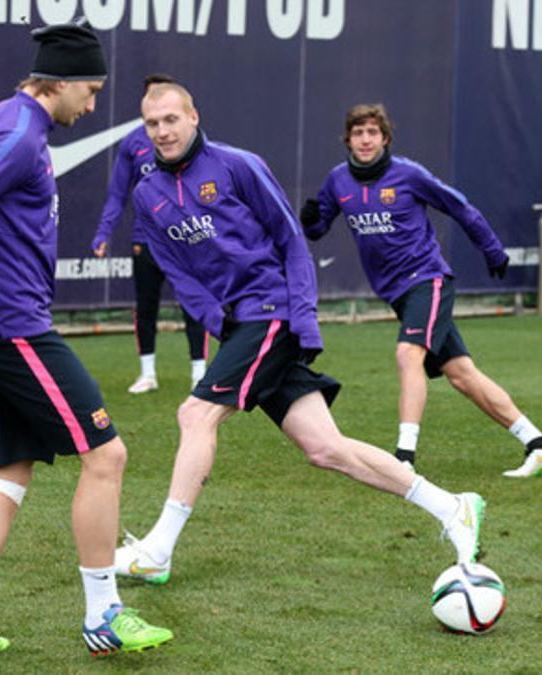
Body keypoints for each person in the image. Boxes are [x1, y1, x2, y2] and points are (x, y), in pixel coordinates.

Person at [110, 82, 485, 587]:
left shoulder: (238, 165)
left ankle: (159, 549)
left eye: (171, 120)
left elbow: (290, 240)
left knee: (195, 413)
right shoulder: (146, 192)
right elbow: (180, 276)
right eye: (152, 124)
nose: (162, 132)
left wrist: (302, 319)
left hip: (275, 311)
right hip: (241, 325)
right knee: (325, 449)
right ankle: (452, 506)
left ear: (193, 117)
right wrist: (223, 327)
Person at [0, 21, 172, 658]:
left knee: (9, 474)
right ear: (58, 82)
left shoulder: (9, 120)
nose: (92, 105)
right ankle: (104, 614)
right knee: (107, 456)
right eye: (89, 90)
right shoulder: (16, 134)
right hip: (11, 330)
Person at [299, 103, 542, 478]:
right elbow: (317, 226)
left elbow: (460, 208)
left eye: (372, 132)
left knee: (409, 354)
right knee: (462, 375)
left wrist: (492, 249)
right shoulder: (338, 180)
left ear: (385, 138)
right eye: (358, 133)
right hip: (395, 293)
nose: (365, 139)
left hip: (427, 278)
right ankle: (539, 444)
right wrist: (310, 219)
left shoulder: (408, 174)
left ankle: (404, 457)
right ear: (348, 139)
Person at [91, 74, 208, 394]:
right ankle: (147, 373)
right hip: (146, 242)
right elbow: (117, 194)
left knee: (195, 304)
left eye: (167, 111)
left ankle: (200, 373)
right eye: (151, 114)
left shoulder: (193, 142)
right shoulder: (133, 143)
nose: (161, 129)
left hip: (187, 241)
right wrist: (104, 233)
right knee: (145, 306)